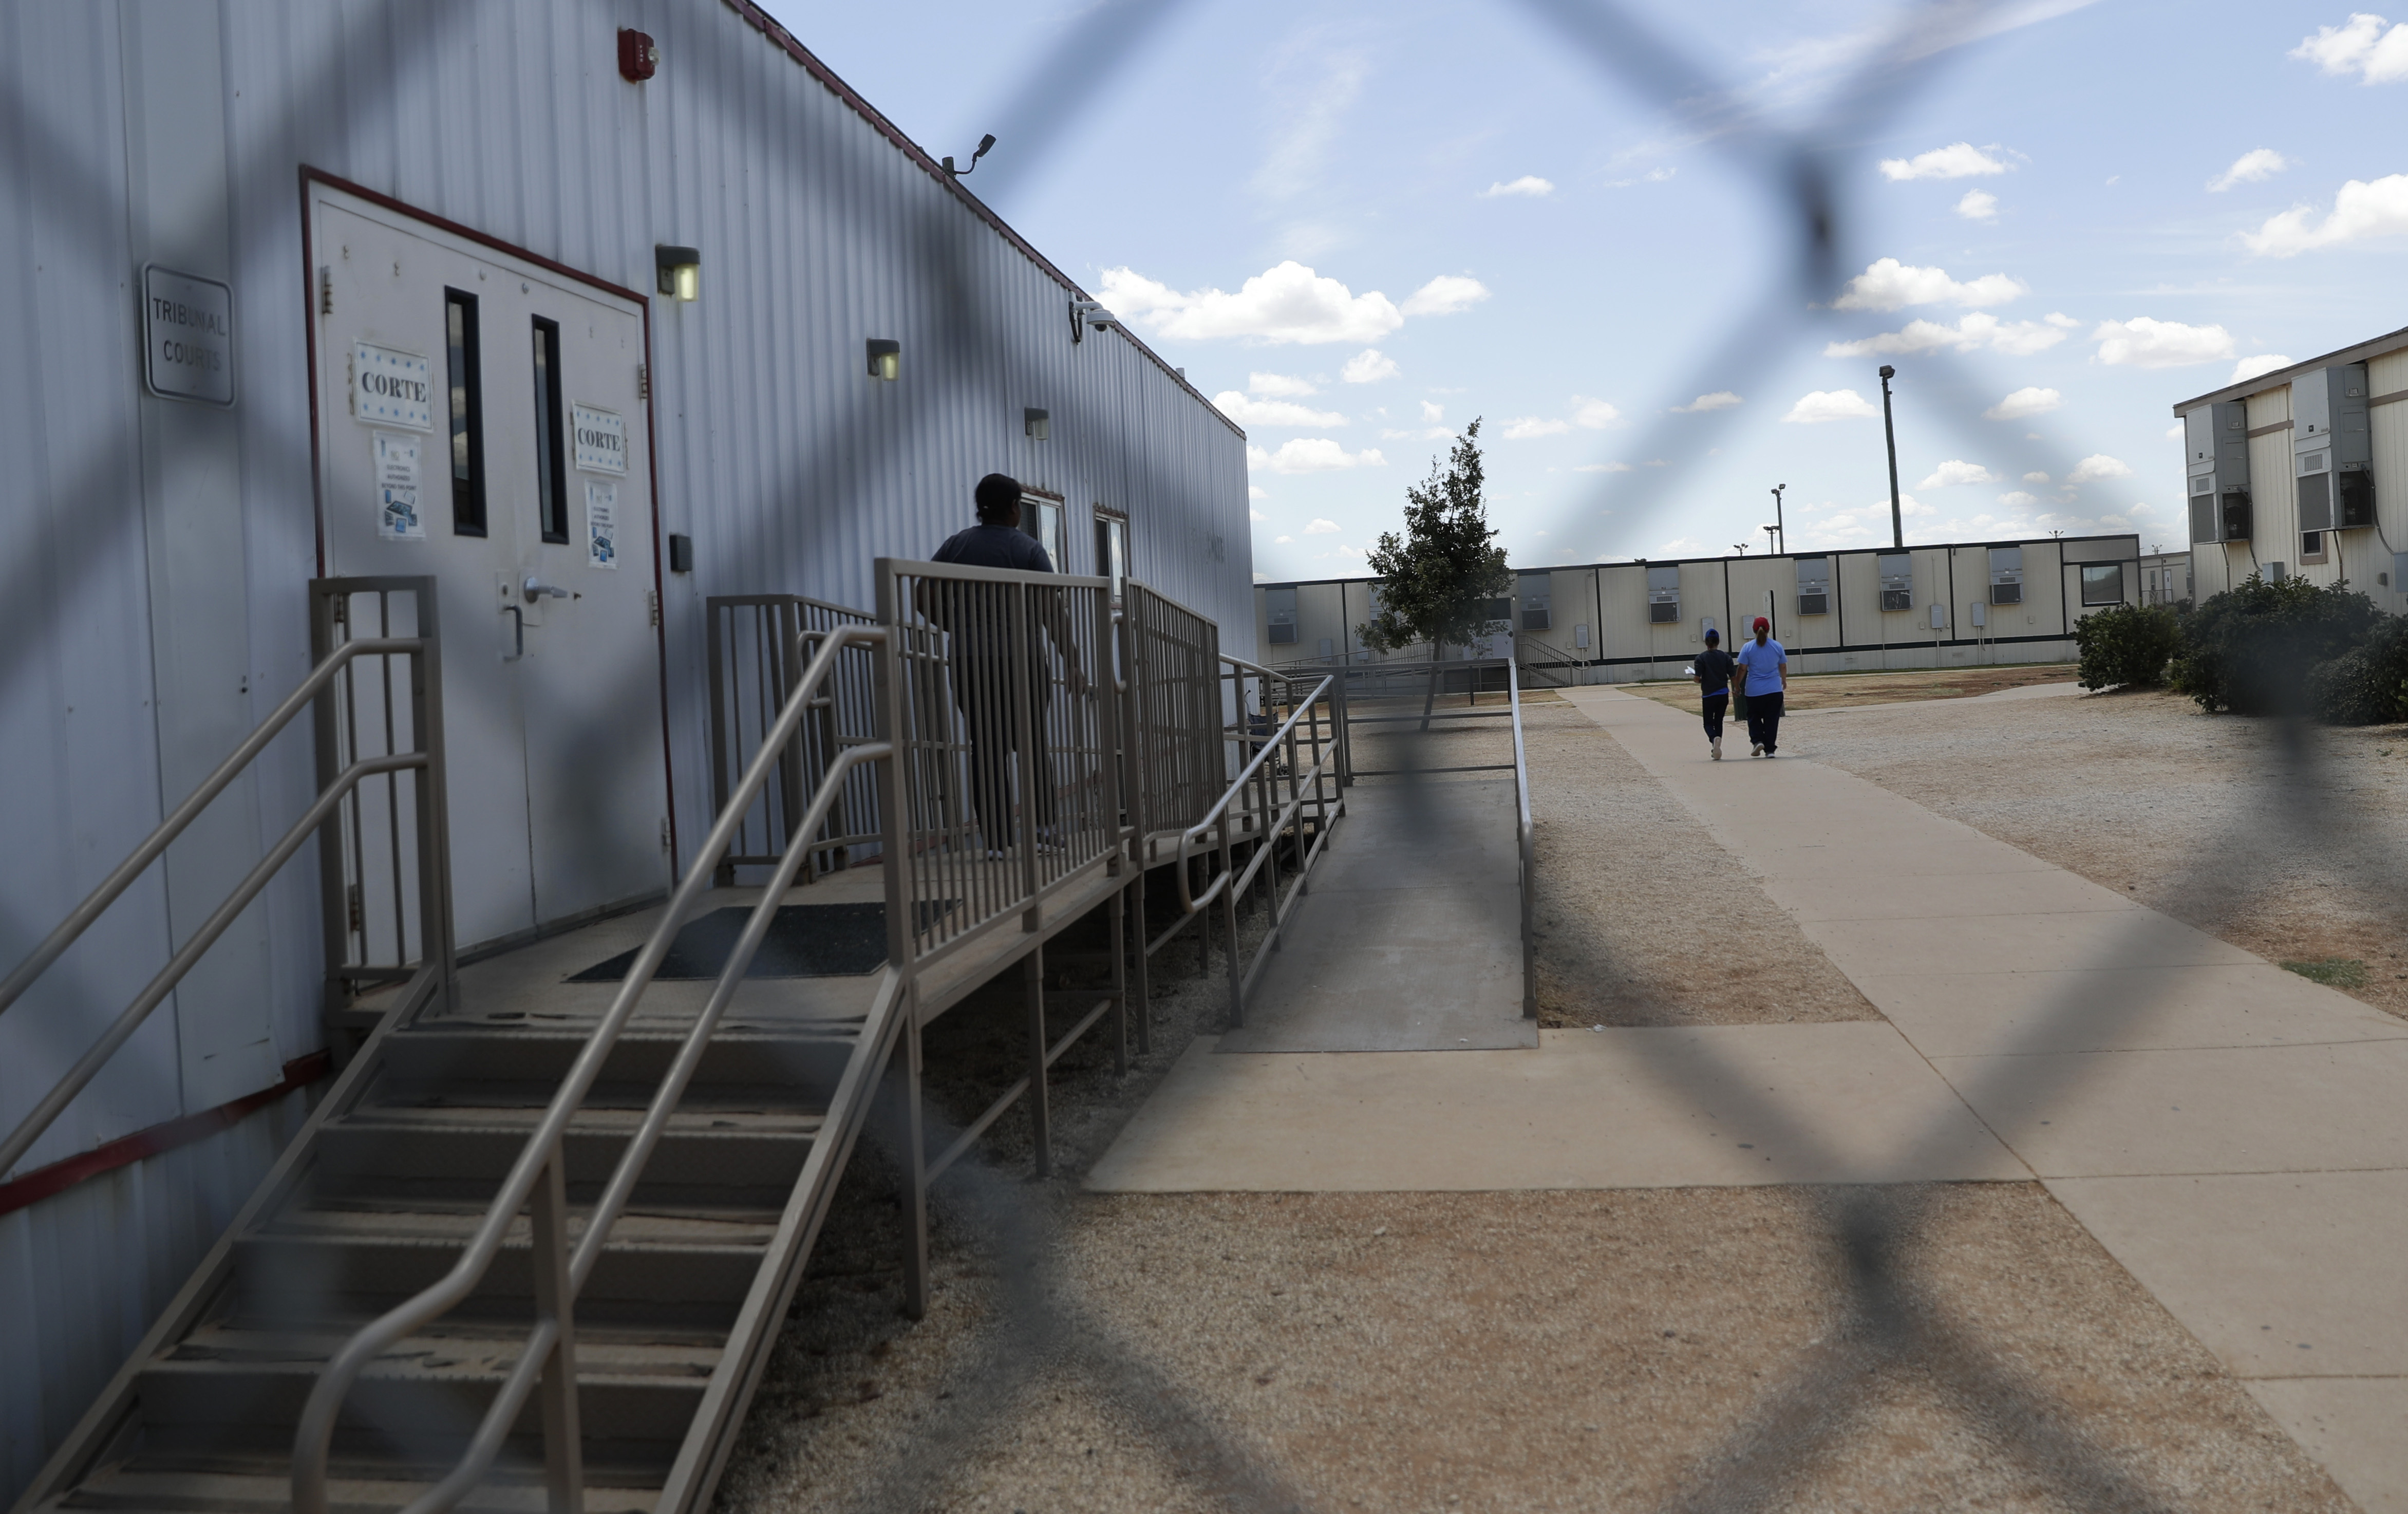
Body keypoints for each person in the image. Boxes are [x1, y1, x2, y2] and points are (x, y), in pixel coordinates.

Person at [929, 473, 1087, 850]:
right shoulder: (1029, 549)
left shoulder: (956, 546)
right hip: (1023, 661)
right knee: (1032, 744)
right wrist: (1072, 662)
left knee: (985, 748)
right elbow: (1052, 610)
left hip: (970, 661)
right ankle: (1044, 831)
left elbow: (923, 594)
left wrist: (953, 624)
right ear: (1015, 507)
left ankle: (997, 842)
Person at [1734, 615, 1787, 757]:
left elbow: (1742, 668)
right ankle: (1770, 750)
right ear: (1768, 630)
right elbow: (1783, 666)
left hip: (1754, 690)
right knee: (1772, 720)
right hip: (1774, 689)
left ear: (1753, 630)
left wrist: (1737, 685)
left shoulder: (1748, 647)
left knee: (1754, 717)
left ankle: (1757, 740)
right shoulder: (1777, 646)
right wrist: (1784, 680)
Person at [1690, 627, 1735, 760]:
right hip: (1723, 693)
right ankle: (1717, 747)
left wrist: (1699, 680)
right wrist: (1737, 689)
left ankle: (1714, 739)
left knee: (1708, 723)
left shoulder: (1701, 658)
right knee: (1719, 721)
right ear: (1718, 642)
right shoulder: (1726, 657)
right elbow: (1733, 675)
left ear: (1706, 642)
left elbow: (1697, 678)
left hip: (1709, 695)